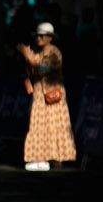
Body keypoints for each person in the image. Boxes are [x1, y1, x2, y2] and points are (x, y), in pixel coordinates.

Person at [18, 21, 75, 173]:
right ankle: (41, 157)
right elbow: (32, 71)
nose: (39, 38)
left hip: (51, 95)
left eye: (42, 36)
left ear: (50, 37)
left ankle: (54, 158)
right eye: (37, 35)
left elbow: (43, 69)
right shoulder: (40, 52)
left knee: (54, 126)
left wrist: (28, 56)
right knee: (38, 125)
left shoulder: (54, 52)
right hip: (39, 94)